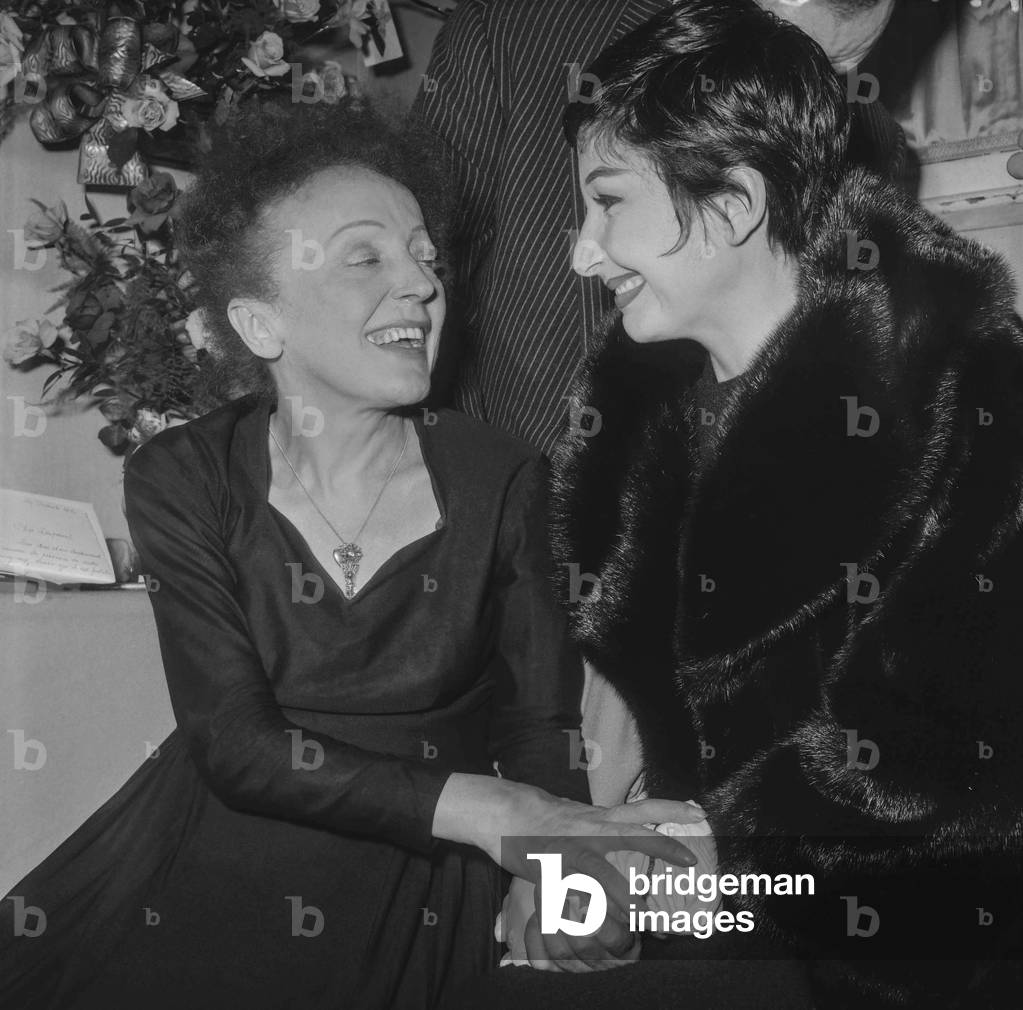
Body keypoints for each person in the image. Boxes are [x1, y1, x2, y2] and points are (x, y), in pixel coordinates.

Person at [0, 100, 701, 1010]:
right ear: (260, 324)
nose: (419, 285)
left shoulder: (504, 473)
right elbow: (237, 746)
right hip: (211, 870)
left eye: (424, 257)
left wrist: (546, 864)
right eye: (365, 256)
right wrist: (511, 819)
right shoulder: (183, 474)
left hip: (425, 893)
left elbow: (538, 717)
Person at [446, 1, 1023, 1007]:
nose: (583, 253)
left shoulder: (963, 407)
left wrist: (694, 861)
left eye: (608, 202)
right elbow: (650, 763)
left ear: (732, 206)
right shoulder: (630, 431)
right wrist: (573, 859)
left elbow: (963, 776)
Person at [413, 0, 901, 456]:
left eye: (833, 72)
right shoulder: (515, 25)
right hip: (508, 476)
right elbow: (417, 259)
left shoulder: (872, 142)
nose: (809, 96)